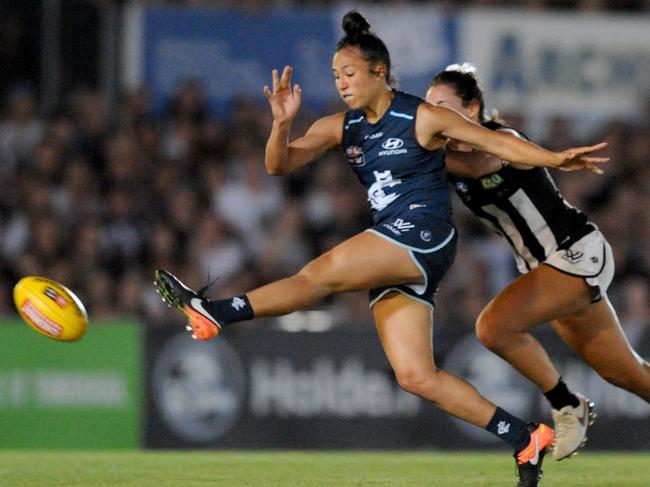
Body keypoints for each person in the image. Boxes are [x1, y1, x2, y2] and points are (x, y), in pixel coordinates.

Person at [154, 11, 607, 486]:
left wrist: (555, 157)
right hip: (398, 244)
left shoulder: (422, 115)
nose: (342, 84)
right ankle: (523, 437)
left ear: (378, 72)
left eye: (349, 74)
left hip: (421, 234)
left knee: (319, 275)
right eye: (335, 76)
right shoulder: (343, 127)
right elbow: (279, 165)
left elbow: (493, 142)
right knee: (416, 377)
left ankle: (216, 311)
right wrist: (282, 125)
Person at [425, 63, 650, 462]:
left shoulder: (497, 140)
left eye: (443, 106)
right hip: (547, 270)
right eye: (429, 107)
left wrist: (553, 157)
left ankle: (567, 405)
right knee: (626, 374)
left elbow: (482, 163)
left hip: (575, 254)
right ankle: (570, 405)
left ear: (473, 109)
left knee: (493, 327)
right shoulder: (446, 156)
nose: (434, 115)